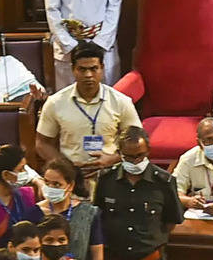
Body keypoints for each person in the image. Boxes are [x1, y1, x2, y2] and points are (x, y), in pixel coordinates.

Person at [94, 127, 184, 260]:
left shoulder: (163, 182)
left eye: (140, 155)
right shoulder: (106, 180)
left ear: (149, 151)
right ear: (120, 153)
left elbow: (170, 221)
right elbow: (98, 217)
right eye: (129, 156)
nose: (135, 160)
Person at [35, 41, 143, 179]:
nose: (88, 75)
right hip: (71, 179)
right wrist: (66, 167)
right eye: (82, 69)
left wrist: (114, 158)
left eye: (93, 68)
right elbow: (42, 143)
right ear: (73, 69)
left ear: (102, 68)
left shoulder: (121, 101)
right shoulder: (55, 103)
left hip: (112, 175)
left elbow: (137, 142)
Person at [36, 157, 105, 260]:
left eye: (57, 184)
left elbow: (97, 255)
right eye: (47, 183)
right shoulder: (34, 212)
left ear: (71, 185)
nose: (50, 188)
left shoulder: (89, 213)